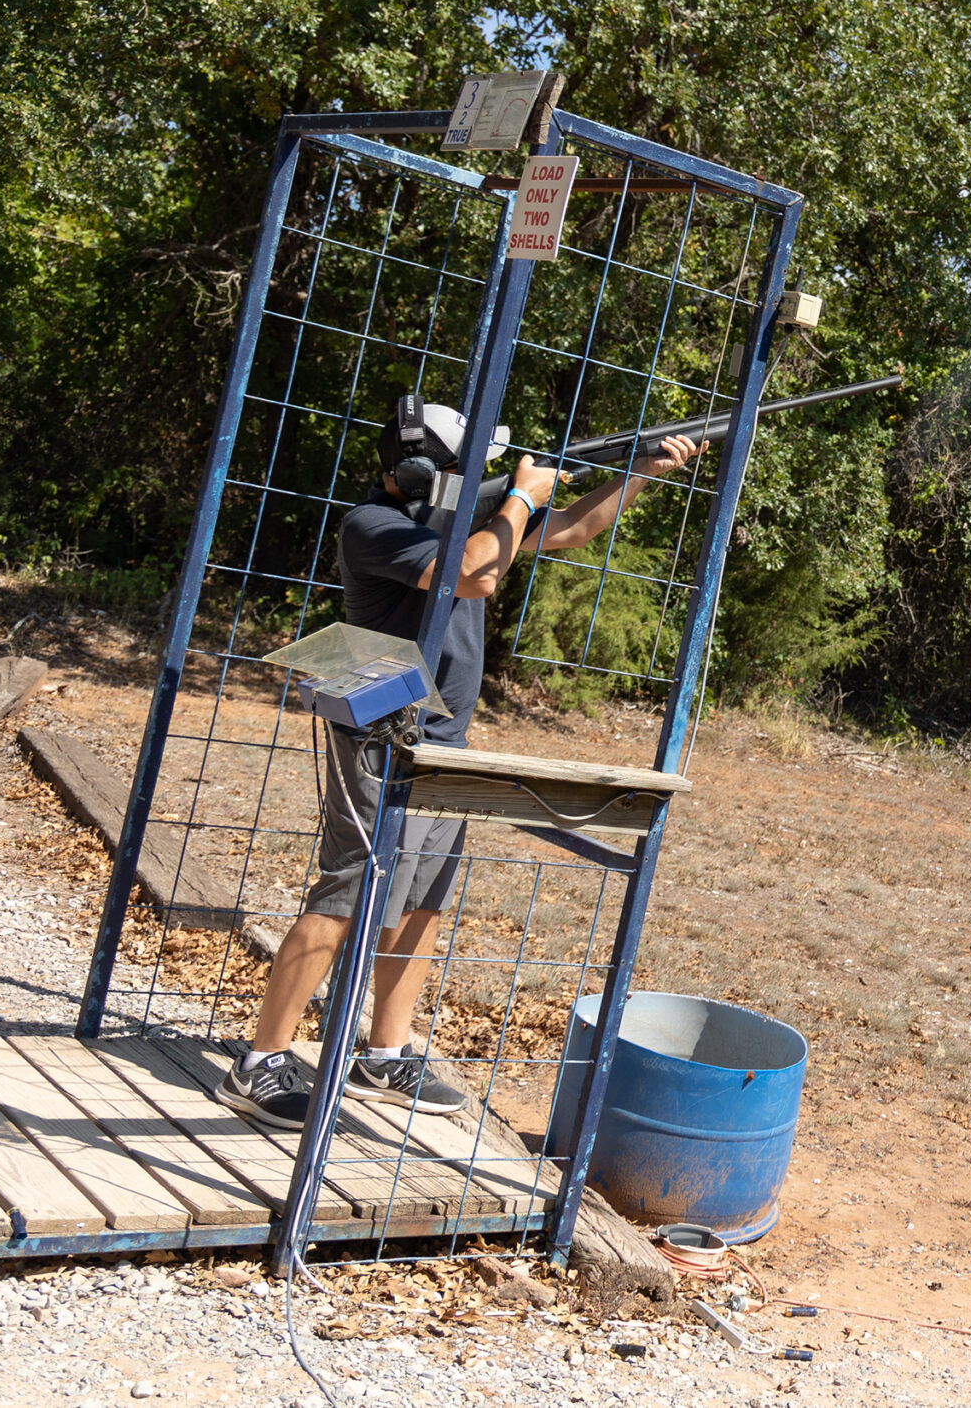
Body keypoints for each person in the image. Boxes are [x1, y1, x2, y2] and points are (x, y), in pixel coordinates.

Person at [218, 399, 701, 1128]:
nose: (475, 478)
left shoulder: (460, 517)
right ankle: (259, 1061)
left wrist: (636, 472)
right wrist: (517, 495)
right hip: (382, 728)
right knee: (348, 891)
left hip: (444, 732)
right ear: (419, 473)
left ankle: (384, 1051)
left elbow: (571, 527)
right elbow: (474, 575)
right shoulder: (374, 525)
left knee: (423, 899)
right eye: (460, 467)